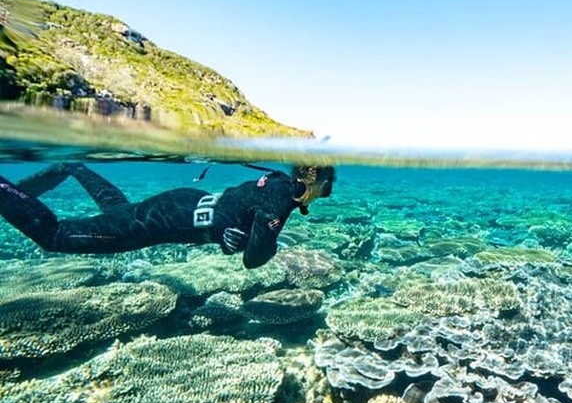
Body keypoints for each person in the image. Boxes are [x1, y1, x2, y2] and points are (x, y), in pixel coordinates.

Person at [0, 162, 334, 269]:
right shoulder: (283, 197)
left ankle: (73, 168)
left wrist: (232, 231)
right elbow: (254, 259)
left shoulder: (276, 180)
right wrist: (255, 240)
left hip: (188, 204)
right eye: (328, 186)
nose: (327, 193)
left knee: (122, 212)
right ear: (315, 180)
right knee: (54, 236)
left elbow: (241, 205)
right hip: (175, 218)